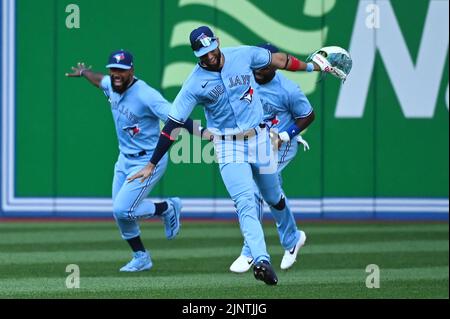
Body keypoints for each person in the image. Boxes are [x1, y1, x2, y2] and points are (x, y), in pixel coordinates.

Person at [128, 26, 333, 285]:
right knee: (247, 201)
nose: (209, 56)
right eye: (203, 53)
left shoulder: (243, 55)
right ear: (195, 53)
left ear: (218, 43)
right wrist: (151, 162)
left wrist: (312, 68)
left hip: (260, 138)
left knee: (272, 196)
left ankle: (292, 238)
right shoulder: (194, 83)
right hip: (228, 145)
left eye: (211, 49)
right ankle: (261, 260)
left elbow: (279, 60)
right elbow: (172, 124)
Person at [65, 50, 195, 272]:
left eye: (122, 70)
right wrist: (85, 72)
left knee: (123, 209)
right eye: (113, 69)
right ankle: (141, 257)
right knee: (121, 215)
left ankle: (167, 207)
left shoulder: (146, 95)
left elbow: (177, 118)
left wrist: (208, 134)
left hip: (147, 161)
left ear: (132, 71)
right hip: (124, 159)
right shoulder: (111, 84)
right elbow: (99, 80)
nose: (116, 74)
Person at [229, 43, 315, 274]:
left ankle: (250, 251)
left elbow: (307, 115)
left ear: (275, 66)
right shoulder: (244, 81)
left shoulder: (288, 89)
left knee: (257, 190)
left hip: (282, 144)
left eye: (264, 64)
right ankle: (293, 238)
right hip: (255, 144)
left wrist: (286, 135)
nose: (258, 67)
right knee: (271, 193)